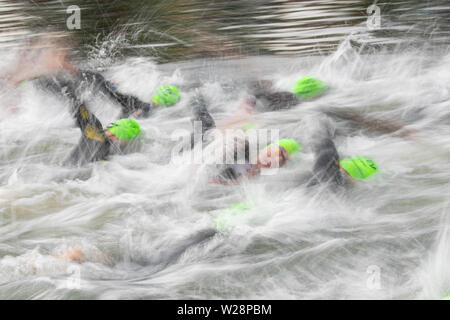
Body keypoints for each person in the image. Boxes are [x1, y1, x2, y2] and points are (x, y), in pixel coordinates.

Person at [188, 93, 302, 185]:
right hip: (202, 145)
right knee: (205, 125)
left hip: (203, 164)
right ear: (270, 147)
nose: (276, 159)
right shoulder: (246, 147)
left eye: (281, 161)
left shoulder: (253, 176)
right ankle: (196, 100)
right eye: (279, 152)